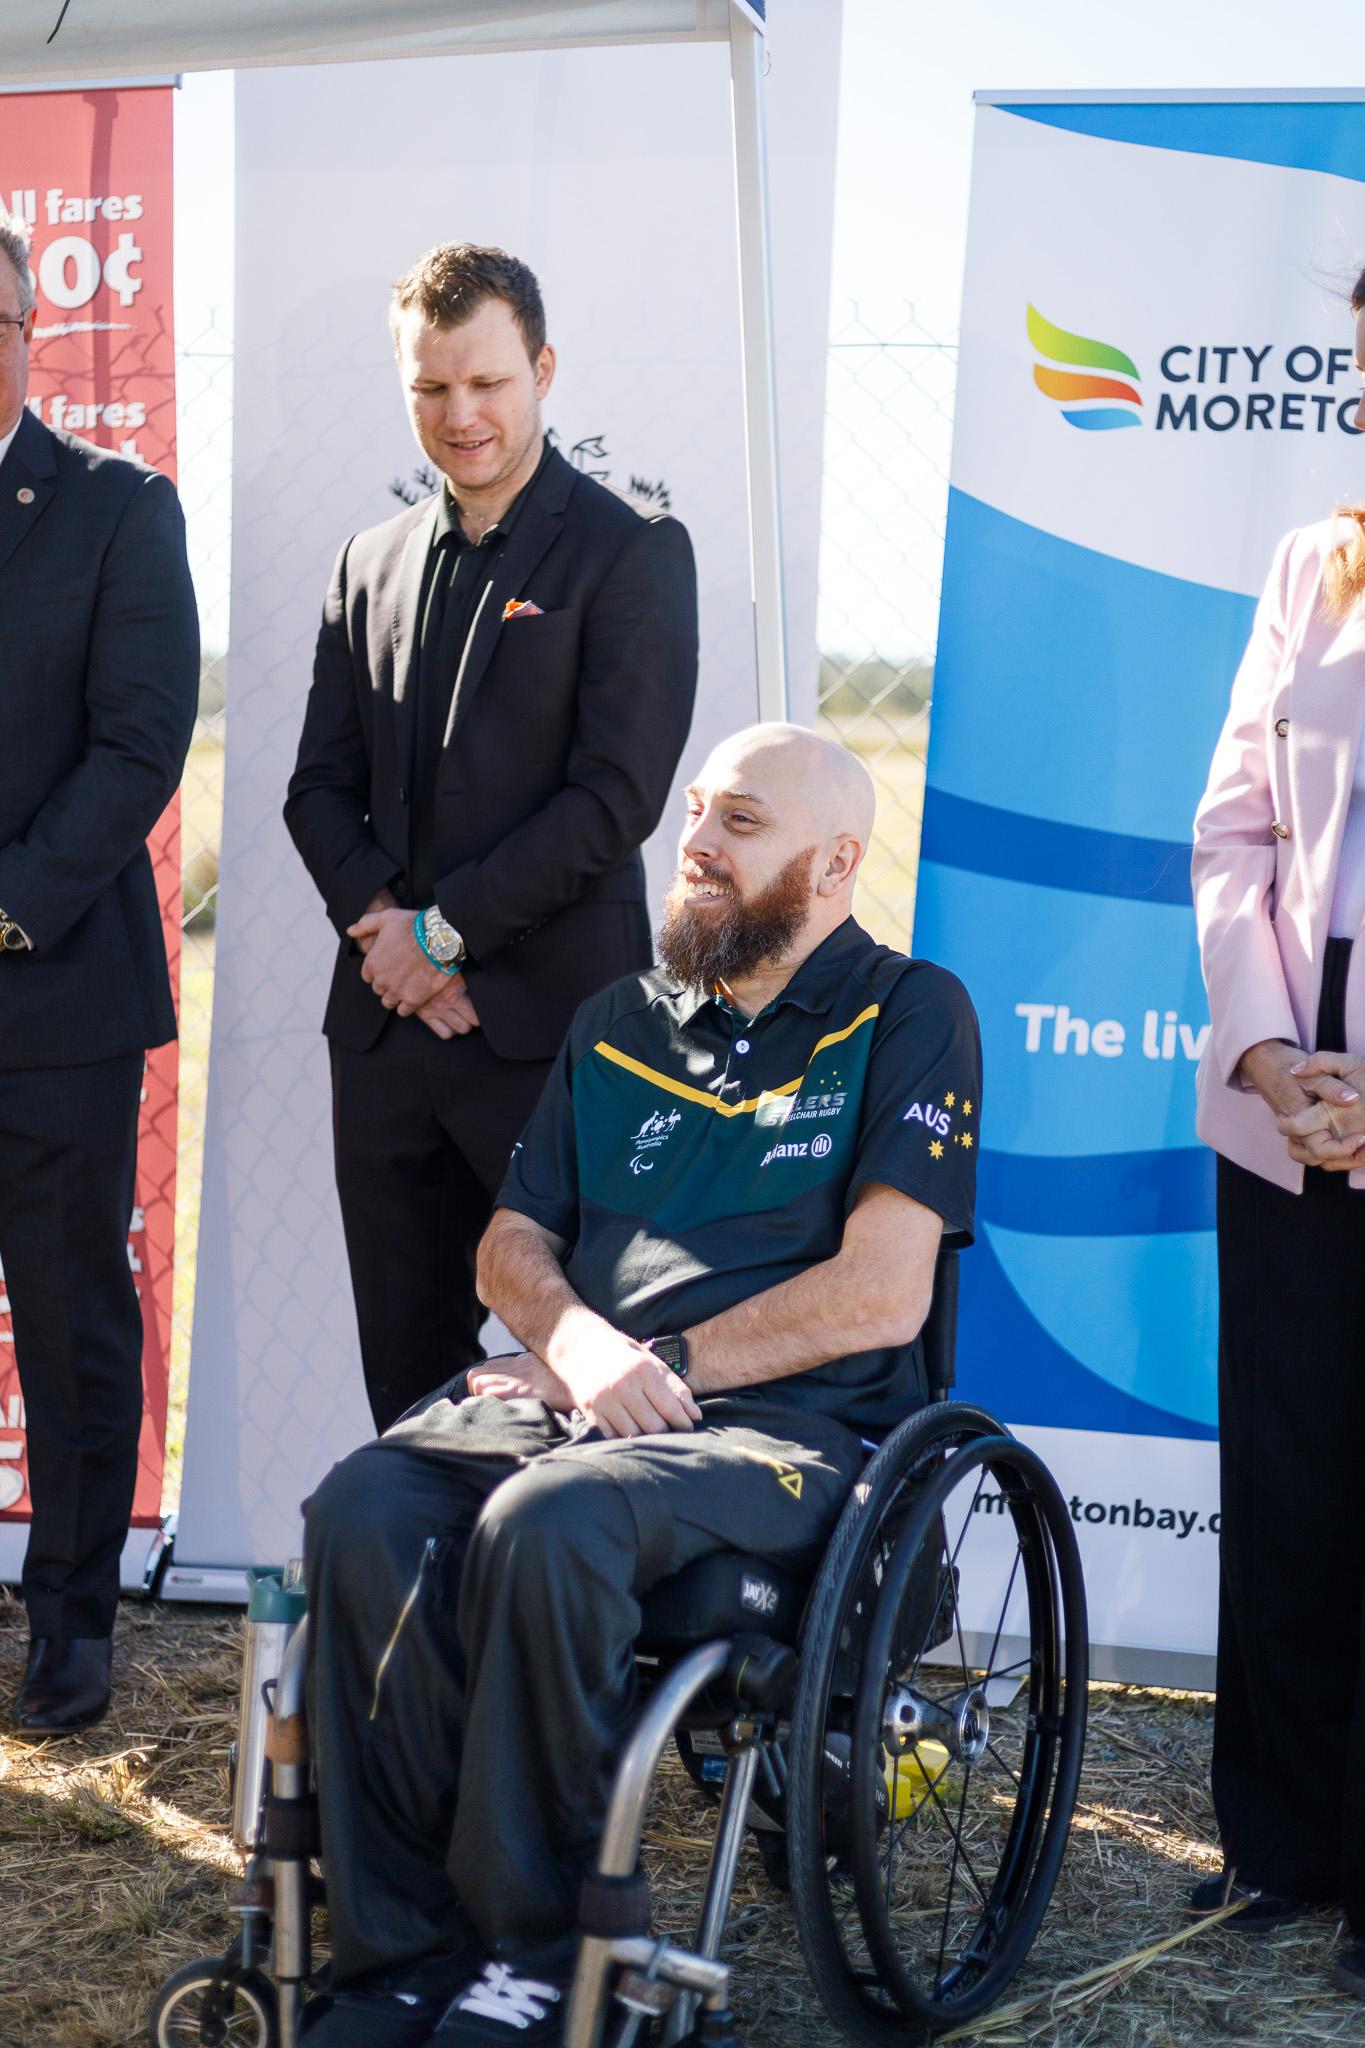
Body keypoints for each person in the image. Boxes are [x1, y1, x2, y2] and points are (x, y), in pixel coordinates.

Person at [299, 724, 981, 2046]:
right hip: (588, 1400)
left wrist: (656, 1365)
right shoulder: (617, 1019)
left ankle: (552, 1961)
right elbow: (511, 1242)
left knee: (551, 1522)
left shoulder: (909, 1011)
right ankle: (395, 1954)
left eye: (740, 823)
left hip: (797, 1434)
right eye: (695, 817)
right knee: (366, 1504)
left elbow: (883, 1293)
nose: (699, 846)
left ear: (834, 862)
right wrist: (574, 1346)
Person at [285, 243, 698, 1435]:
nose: (460, 415)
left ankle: (541, 1614)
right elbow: (317, 789)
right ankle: (418, 1609)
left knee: (579, 1371)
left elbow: (613, 798)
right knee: (405, 1388)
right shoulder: (366, 563)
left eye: (487, 384)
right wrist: (393, 945)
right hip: (385, 1038)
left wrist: (446, 937)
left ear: (543, 370)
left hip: (548, 1040)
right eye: (430, 388)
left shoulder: (629, 552)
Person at [1190, 266, 1365, 1996]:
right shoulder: (1312, 562)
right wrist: (1270, 1058)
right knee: (1294, 1477)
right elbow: (1235, 824)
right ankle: (1284, 1847)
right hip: (1288, 1122)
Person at [0, 210, 199, 1733]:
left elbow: (139, 741)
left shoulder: (119, 511)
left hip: (48, 992)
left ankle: (69, 1619)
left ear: (28, 341)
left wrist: (7, 908)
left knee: (68, 1316)